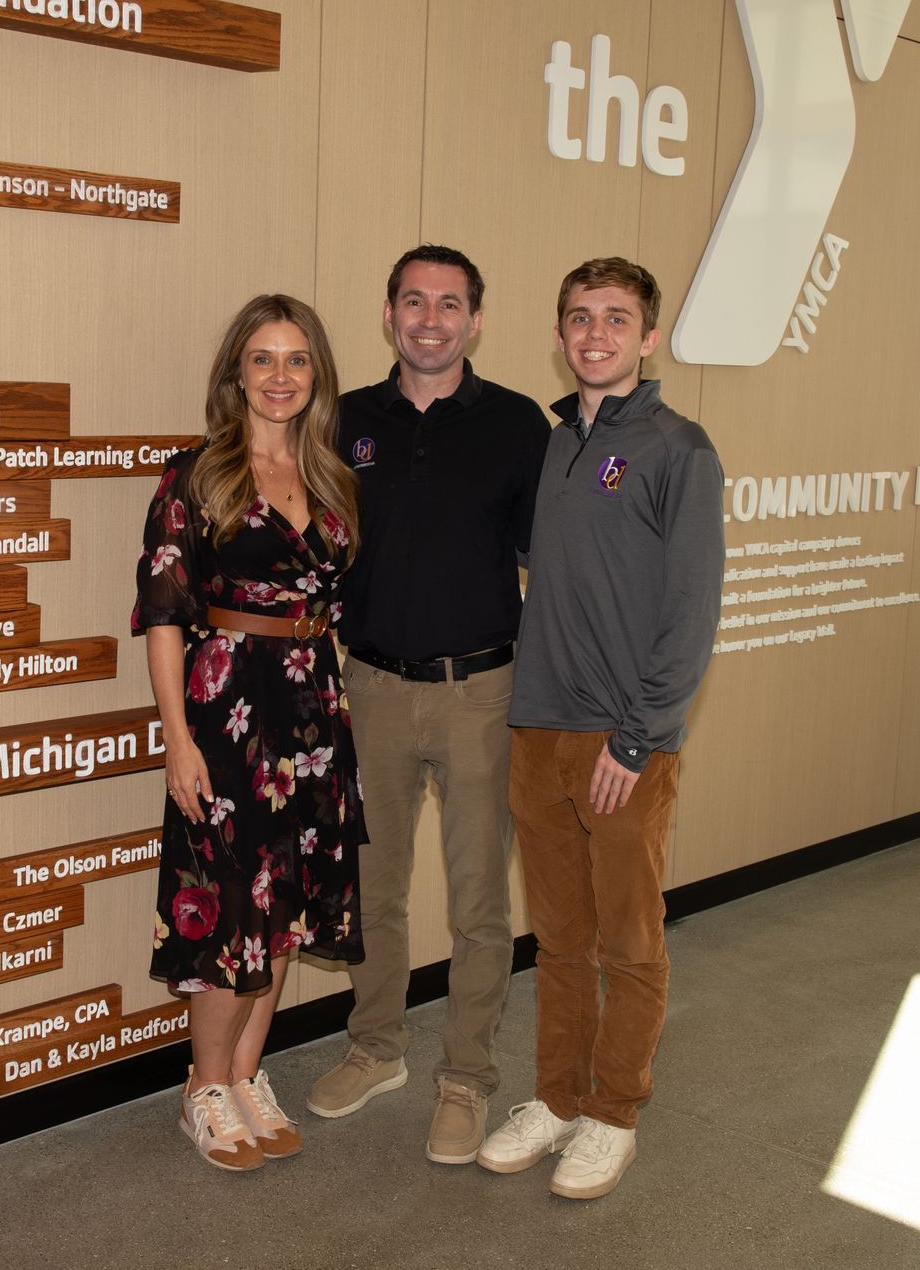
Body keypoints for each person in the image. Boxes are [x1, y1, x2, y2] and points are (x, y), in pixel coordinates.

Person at [476, 257, 723, 1200]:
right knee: (562, 940)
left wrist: (638, 736)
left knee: (631, 942)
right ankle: (556, 1099)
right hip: (536, 727)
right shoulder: (549, 447)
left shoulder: (678, 449)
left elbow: (692, 611)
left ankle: (615, 1113)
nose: (596, 335)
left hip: (624, 743)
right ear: (559, 331)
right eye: (580, 317)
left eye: (617, 319)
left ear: (648, 337)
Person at [306, 245, 549, 1165]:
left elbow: (552, 567)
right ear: (389, 312)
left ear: (475, 320)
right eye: (415, 301)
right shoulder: (344, 421)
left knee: (481, 899)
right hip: (368, 685)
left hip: (483, 691)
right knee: (375, 888)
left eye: (451, 304)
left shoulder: (519, 425)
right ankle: (377, 1049)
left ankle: (467, 1078)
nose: (432, 319)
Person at [132, 293, 366, 1172]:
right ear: (237, 371)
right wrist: (177, 739)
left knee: (285, 906)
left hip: (312, 710)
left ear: (318, 375)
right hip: (226, 712)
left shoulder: (334, 479)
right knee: (230, 904)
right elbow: (163, 613)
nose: (280, 376)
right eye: (263, 359)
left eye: (297, 359)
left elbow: (334, 605)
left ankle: (244, 1077)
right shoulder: (195, 475)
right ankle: (201, 1089)